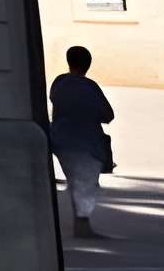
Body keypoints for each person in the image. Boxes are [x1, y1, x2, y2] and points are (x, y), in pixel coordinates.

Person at [47, 45, 116, 240]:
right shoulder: (90, 87)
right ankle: (82, 226)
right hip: (86, 142)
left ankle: (81, 224)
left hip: (60, 138)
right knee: (85, 183)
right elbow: (107, 115)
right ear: (88, 64)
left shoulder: (59, 82)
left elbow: (54, 100)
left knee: (75, 180)